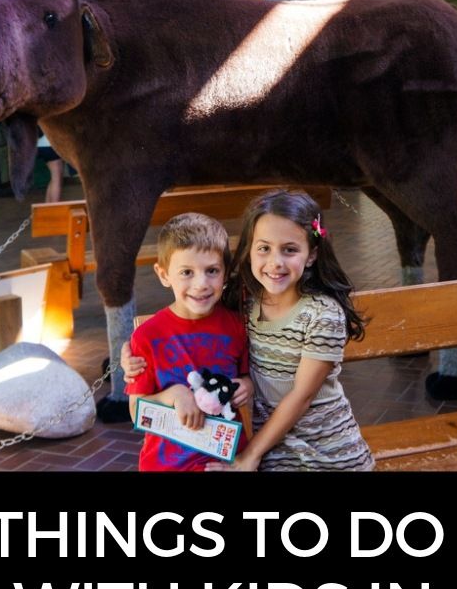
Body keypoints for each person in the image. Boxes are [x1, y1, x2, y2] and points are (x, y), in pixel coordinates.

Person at [123, 189, 372, 472]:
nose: (275, 262)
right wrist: (131, 353)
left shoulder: (319, 314)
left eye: (289, 249)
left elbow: (300, 396)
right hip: (270, 453)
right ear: (250, 251)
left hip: (325, 454)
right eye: (264, 248)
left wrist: (250, 450)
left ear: (312, 254)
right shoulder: (246, 303)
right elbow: (141, 400)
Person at [122, 212, 252, 472]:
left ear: (225, 273)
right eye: (186, 272)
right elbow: (137, 411)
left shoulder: (237, 326)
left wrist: (247, 385)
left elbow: (247, 376)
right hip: (165, 465)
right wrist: (174, 394)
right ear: (163, 274)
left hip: (226, 462)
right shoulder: (148, 336)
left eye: (212, 271)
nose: (201, 284)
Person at [35, 133, 63, 203]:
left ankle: (47, 208)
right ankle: (54, 210)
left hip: (40, 144)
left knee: (54, 178)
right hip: (50, 144)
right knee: (57, 179)